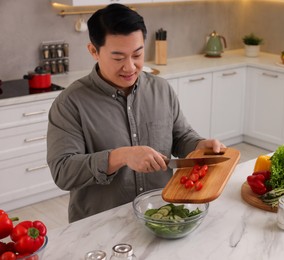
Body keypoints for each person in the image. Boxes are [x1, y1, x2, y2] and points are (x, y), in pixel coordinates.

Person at [46, 3, 225, 223]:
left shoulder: (161, 89)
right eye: (119, 58)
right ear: (94, 51)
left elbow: (180, 137)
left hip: (161, 216)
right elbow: (63, 172)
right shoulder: (70, 103)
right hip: (100, 225)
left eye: (137, 54)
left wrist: (199, 145)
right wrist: (120, 156)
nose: (130, 67)